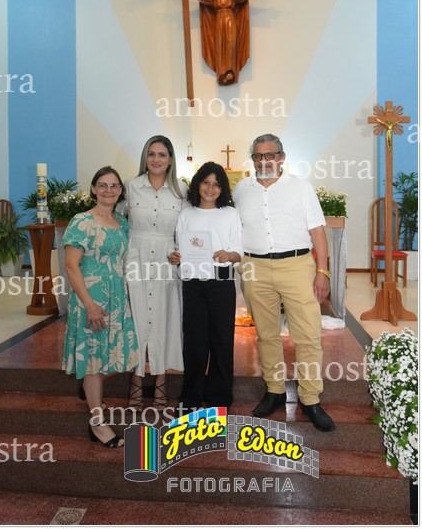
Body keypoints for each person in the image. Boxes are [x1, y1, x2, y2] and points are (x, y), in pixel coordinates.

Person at [233, 134, 335, 432]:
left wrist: (323, 271)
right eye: (258, 156)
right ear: (253, 159)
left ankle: (311, 398)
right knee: (266, 335)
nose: (264, 161)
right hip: (255, 267)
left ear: (281, 158)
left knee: (308, 335)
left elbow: (318, 232)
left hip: (297, 266)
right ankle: (275, 390)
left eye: (270, 155)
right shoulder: (242, 190)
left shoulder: (300, 188)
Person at [63, 166, 139, 448]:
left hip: (116, 299)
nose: (109, 190)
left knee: (119, 353)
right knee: (94, 359)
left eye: (114, 186)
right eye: (103, 185)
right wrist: (89, 305)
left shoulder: (122, 222)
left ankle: (88, 384)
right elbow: (71, 266)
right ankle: (97, 423)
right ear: (94, 189)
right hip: (90, 299)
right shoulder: (82, 221)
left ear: (120, 191)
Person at [170, 162, 243, 409]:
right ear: (197, 184)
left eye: (216, 184)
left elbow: (239, 251)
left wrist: (229, 255)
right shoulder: (186, 214)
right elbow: (179, 248)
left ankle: (219, 397)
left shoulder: (230, 214)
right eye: (206, 183)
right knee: (194, 339)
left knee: (222, 339)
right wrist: (176, 257)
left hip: (221, 279)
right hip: (193, 279)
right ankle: (191, 395)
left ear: (223, 189)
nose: (210, 189)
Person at [124, 136, 186, 411]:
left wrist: (181, 252)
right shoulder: (131, 187)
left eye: (162, 154)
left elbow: (187, 228)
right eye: (151, 154)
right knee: (136, 321)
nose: (156, 159)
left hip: (166, 261)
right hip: (135, 259)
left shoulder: (181, 190)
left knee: (164, 321)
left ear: (170, 159)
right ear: (145, 158)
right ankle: (135, 383)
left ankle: (161, 383)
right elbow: (117, 220)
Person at [174, 0, 265, 85]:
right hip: (218, 21)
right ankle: (222, 73)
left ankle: (231, 72)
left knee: (231, 45)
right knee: (220, 47)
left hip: (231, 20)